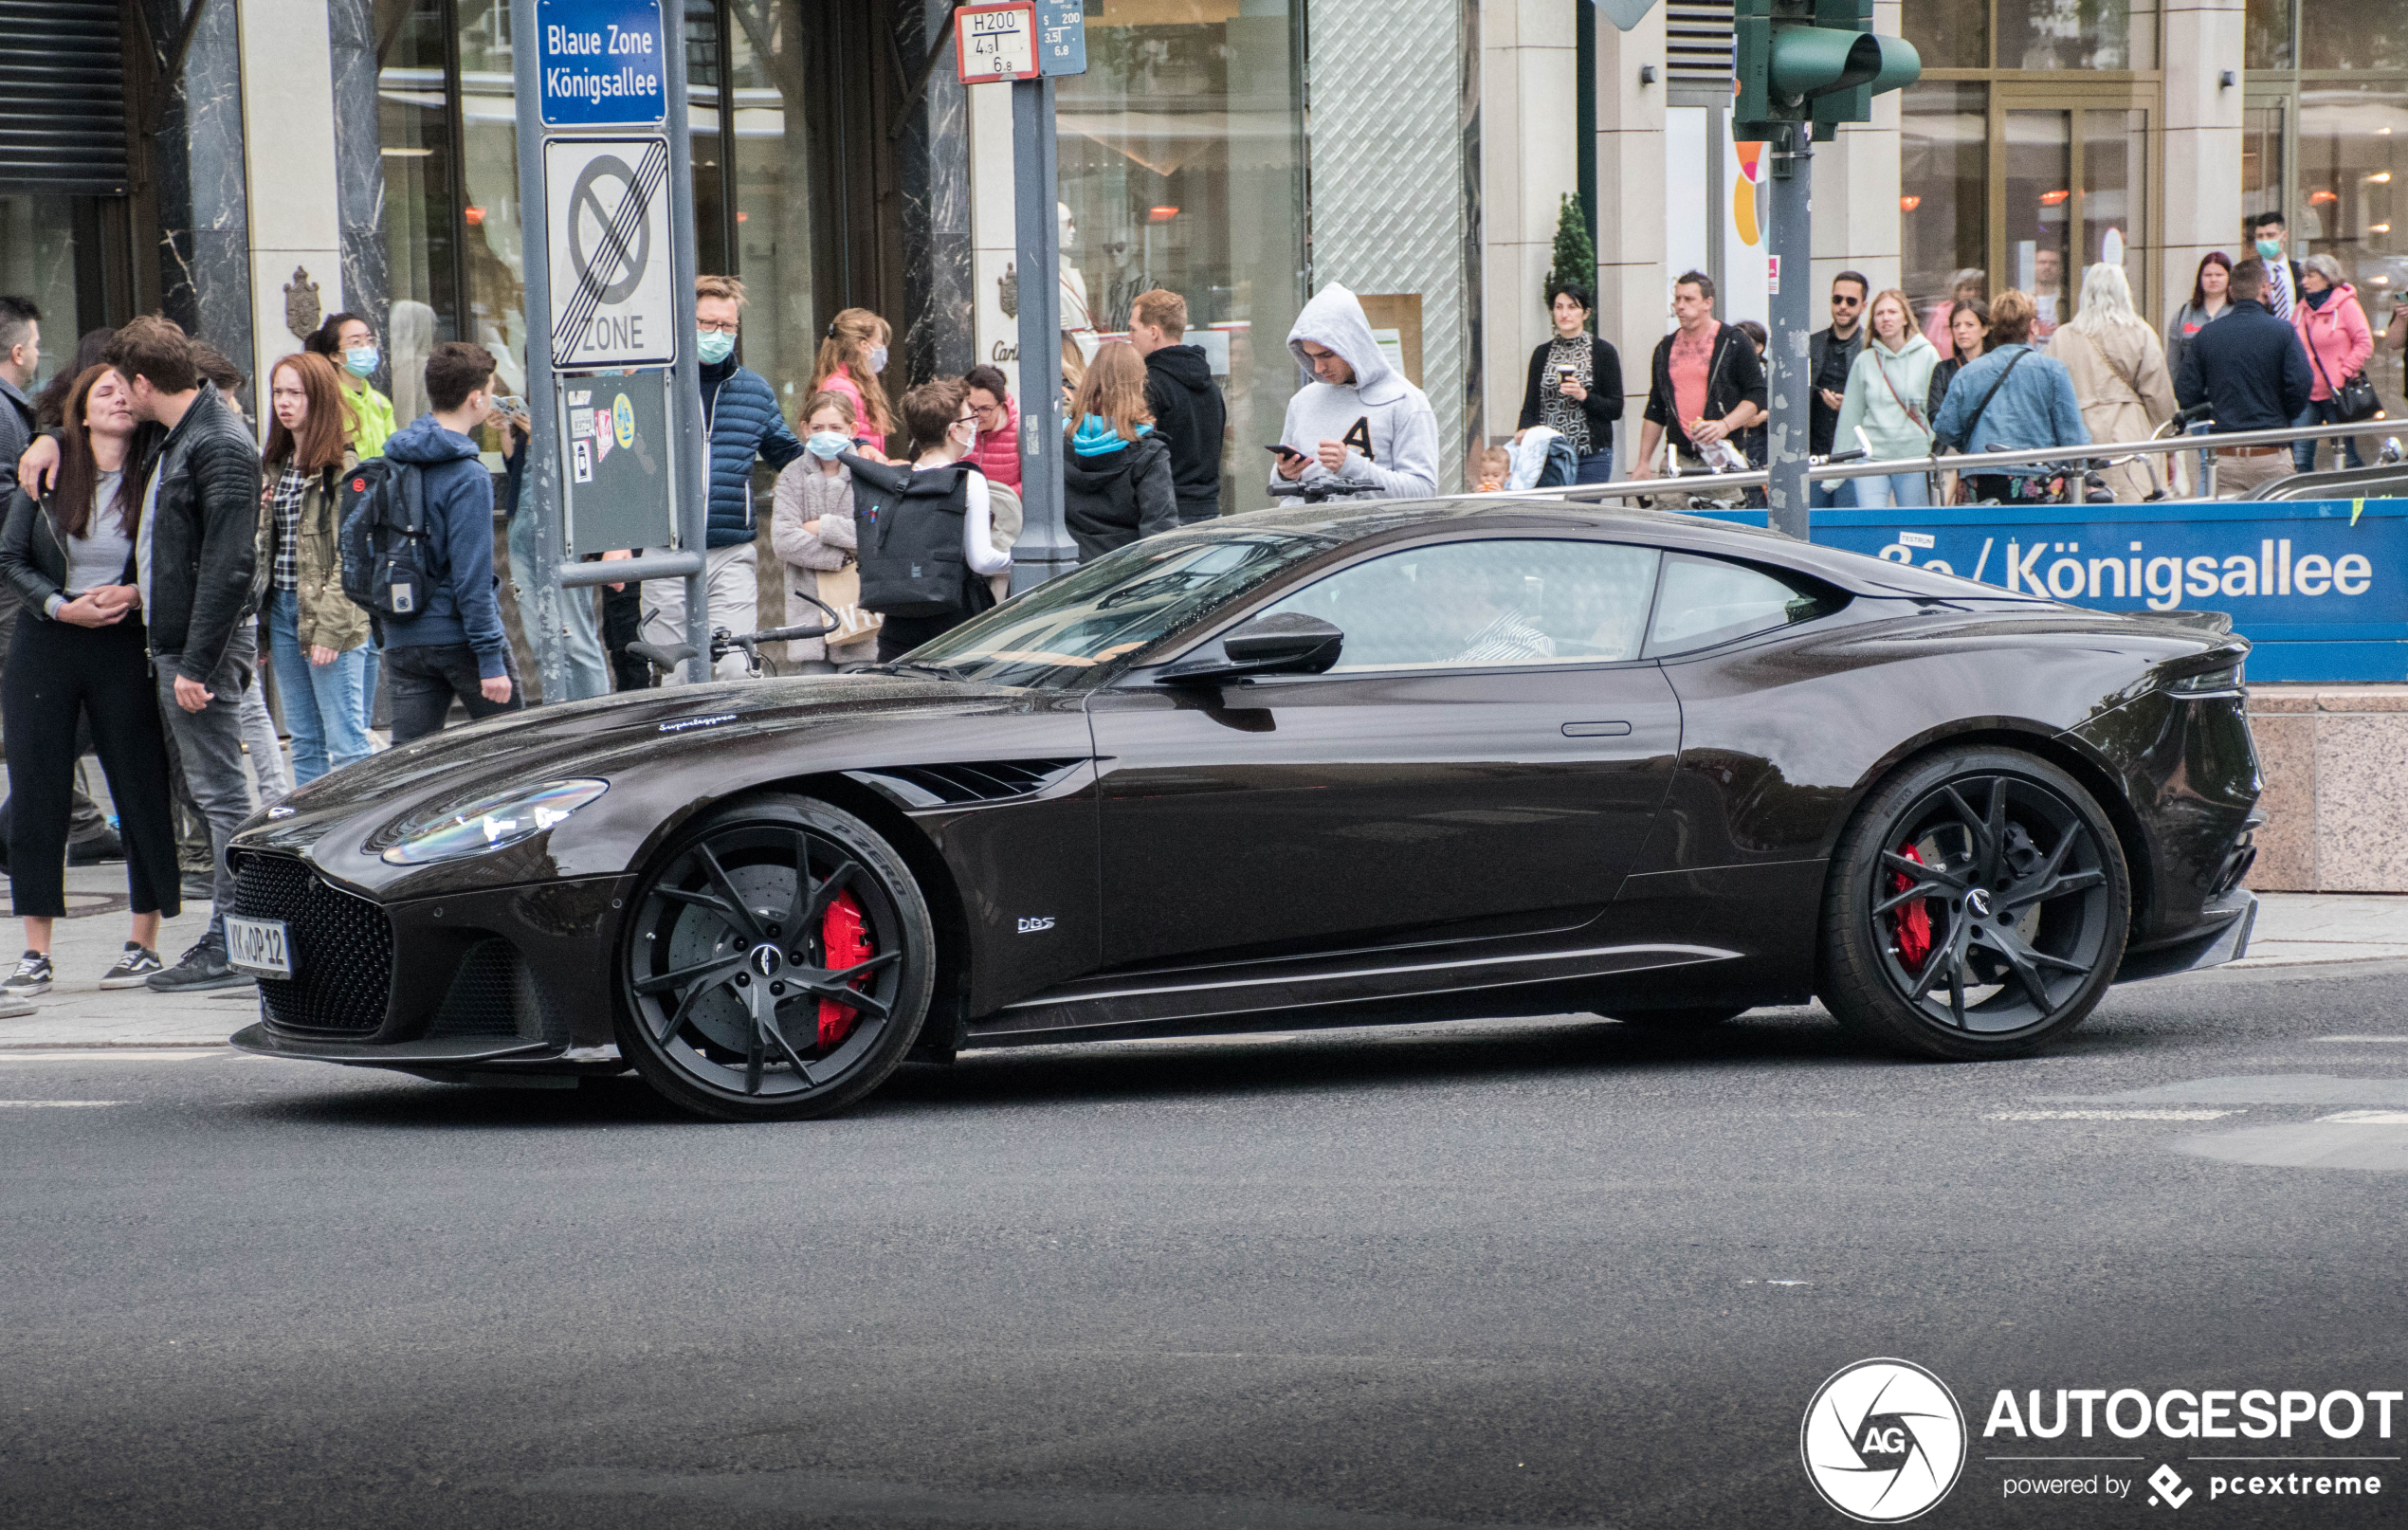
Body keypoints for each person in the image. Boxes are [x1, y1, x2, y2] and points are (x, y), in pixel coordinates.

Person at [0, 363, 182, 996]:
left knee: (139, 789)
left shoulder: (158, 467)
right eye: (102, 392)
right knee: (37, 791)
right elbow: (10, 556)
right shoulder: (47, 470)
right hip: (47, 641)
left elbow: (174, 556)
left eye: (125, 392)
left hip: (123, 644)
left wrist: (136, 593)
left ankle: (144, 943)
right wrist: (57, 604)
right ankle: (35, 953)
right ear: (80, 411)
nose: (117, 401)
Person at [100, 316, 262, 991]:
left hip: (201, 649)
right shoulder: (183, 433)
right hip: (179, 640)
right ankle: (237, 933)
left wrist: (196, 664)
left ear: (144, 382)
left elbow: (229, 566)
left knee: (223, 797)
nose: (118, 400)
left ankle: (234, 939)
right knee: (209, 793)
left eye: (121, 386)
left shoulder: (217, 442)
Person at [643, 275, 807, 683]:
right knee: (673, 675)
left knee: (737, 665)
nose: (718, 334)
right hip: (667, 548)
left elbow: (789, 456)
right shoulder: (653, 383)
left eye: (727, 326)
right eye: (706, 324)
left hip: (730, 549)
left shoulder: (753, 390)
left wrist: (845, 457)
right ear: (684, 323)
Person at [378, 341, 520, 740]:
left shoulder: (396, 458)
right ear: (476, 399)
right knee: (514, 754)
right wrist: (490, 658)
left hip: (403, 635)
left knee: (409, 767)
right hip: (461, 639)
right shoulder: (468, 475)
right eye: (490, 392)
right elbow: (471, 577)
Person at [258, 351, 374, 783]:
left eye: (295, 393)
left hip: (331, 616)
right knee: (304, 742)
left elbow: (354, 555)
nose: (284, 402)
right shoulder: (276, 465)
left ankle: (356, 844)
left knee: (346, 744)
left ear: (320, 398)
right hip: (286, 611)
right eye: (277, 393)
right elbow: (270, 553)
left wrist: (330, 629)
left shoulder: (344, 467)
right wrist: (265, 625)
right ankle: (309, 844)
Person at [851, 378, 1010, 661]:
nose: (974, 425)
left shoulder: (898, 479)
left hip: (898, 618)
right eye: (969, 418)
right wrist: (1021, 556)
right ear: (953, 430)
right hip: (956, 616)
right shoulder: (967, 479)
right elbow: (982, 560)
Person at [1270, 282, 1441, 500]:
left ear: (1352, 344)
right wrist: (1285, 475)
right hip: (1307, 530)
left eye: (1326, 355)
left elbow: (1423, 492)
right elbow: (1280, 494)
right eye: (1310, 357)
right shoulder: (1302, 401)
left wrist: (1353, 467)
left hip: (1368, 533)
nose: (1318, 368)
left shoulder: (1406, 401)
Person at [1929, 290, 2089, 503]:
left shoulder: (1968, 373)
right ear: (2032, 326)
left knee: (1985, 535)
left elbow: (1945, 429)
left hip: (1981, 474)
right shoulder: (2052, 370)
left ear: (1993, 328)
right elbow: (2072, 434)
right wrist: (2081, 473)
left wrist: (1970, 442)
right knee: (2037, 535)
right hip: (2040, 476)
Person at [2174, 257, 2314, 499]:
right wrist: (2282, 414)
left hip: (2224, 455)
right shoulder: (2282, 331)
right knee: (2276, 530)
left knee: (2223, 533)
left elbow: (2185, 389)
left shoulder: (2208, 334)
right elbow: (2301, 382)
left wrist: (2211, 414)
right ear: (2264, 288)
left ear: (2231, 290)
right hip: (2271, 452)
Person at [2054, 263, 2179, 501]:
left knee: (2085, 514)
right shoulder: (2140, 332)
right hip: (2131, 436)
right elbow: (2158, 395)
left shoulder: (2062, 337)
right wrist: (2169, 442)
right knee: (2134, 512)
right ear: (2124, 292)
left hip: (2081, 440)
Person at [1634, 271, 1766, 483]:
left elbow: (1757, 394)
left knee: (1725, 515)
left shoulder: (1733, 342)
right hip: (1679, 456)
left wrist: (1724, 425)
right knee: (1670, 515)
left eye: (1688, 299)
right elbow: (1656, 407)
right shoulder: (1665, 348)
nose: (1680, 306)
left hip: (1723, 453)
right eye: (1677, 299)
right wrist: (1643, 461)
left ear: (1708, 302)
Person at [771, 391, 869, 670]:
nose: (826, 434)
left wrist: (822, 527)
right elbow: (783, 540)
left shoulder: (868, 472)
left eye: (835, 427)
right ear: (805, 429)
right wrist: (839, 555)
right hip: (809, 604)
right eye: (818, 428)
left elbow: (874, 533)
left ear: (852, 430)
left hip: (857, 604)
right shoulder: (792, 475)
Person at [1062, 341, 1178, 560]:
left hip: (1071, 579)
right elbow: (1160, 540)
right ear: (1138, 386)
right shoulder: (1150, 452)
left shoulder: (1061, 444)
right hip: (1124, 580)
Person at [1832, 288, 1941, 507]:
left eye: (1892, 312)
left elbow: (1936, 408)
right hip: (1871, 457)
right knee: (1872, 524)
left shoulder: (1927, 354)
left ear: (1905, 319)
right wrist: (1835, 472)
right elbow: (1851, 417)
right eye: (1879, 313)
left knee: (1914, 526)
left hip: (1914, 456)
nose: (1886, 318)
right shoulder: (1865, 360)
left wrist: (1934, 446)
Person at [1129, 288, 1230, 521]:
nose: (1130, 337)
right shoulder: (1211, 387)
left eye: (1133, 329)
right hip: (1209, 512)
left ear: (1154, 332)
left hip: (1166, 515)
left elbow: (1140, 459)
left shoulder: (1148, 385)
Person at [1515, 281, 1624, 483]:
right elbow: (1530, 405)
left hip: (1591, 455)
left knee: (1582, 513)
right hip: (1549, 455)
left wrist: (1583, 395)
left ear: (1585, 313)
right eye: (1559, 307)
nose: (1565, 314)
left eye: (1572, 307)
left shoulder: (1603, 352)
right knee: (1553, 514)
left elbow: (1615, 408)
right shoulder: (1541, 354)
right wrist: (1523, 429)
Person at [2290, 252, 2374, 473]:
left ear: (2327, 277)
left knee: (2346, 455)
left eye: (2311, 276)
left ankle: (2354, 496)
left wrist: (2344, 371)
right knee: (2299, 458)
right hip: (2307, 394)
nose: (2304, 282)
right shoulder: (2301, 308)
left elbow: (2364, 343)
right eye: (2303, 276)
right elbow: (2291, 344)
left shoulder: (2346, 306)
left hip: (2337, 393)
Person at [1810, 271, 1870, 504]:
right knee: (1811, 528)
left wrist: (1850, 407)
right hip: (1815, 455)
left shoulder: (1870, 349)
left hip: (1853, 456)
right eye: (1837, 299)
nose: (1843, 306)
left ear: (1863, 306)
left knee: (1848, 527)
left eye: (1851, 301)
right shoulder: (1812, 344)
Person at [304, 312, 397, 457]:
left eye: (369, 340)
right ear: (335, 355)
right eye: (356, 342)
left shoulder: (380, 402)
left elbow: (393, 452)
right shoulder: (327, 402)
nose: (366, 347)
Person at [808, 307, 894, 457]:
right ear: (864, 346)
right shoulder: (842, 387)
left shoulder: (856, 383)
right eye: (880, 342)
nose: (883, 349)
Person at [2166, 251, 2235, 385]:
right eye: (2208, 275)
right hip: (2191, 398)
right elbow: (2173, 364)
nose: (2213, 279)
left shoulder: (2238, 312)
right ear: (2200, 278)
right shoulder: (2183, 314)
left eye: (2219, 275)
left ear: (2229, 278)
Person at [961, 364, 1021, 491]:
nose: (975, 415)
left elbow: (1032, 483)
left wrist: (996, 498)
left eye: (985, 409)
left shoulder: (1019, 431)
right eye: (970, 406)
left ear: (1001, 406)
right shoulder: (954, 428)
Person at [1922, 269, 1985, 352]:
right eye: (1968, 289)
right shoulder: (1941, 316)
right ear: (1957, 291)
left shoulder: (1985, 314)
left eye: (1977, 289)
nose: (1973, 293)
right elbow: (1930, 348)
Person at [2031, 247, 2066, 340]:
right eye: (2042, 262)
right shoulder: (2024, 297)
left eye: (2053, 263)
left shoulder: (2066, 299)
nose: (2047, 267)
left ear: (2061, 268)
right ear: (2033, 266)